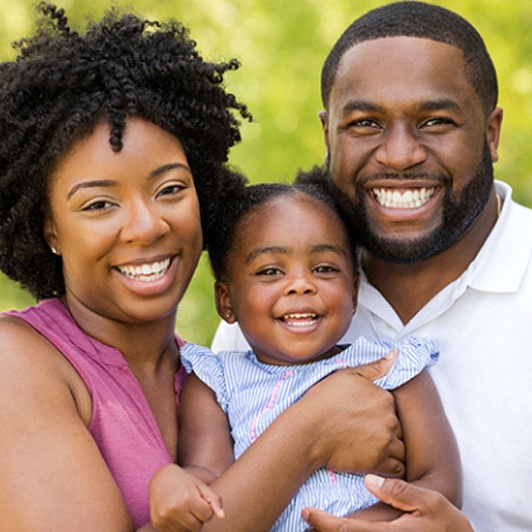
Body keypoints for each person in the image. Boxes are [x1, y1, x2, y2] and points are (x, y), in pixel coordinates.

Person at [0, 4, 411, 531]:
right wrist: (307, 434)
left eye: (171, 189)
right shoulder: (20, 363)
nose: (146, 226)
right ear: (49, 228)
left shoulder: (221, 372)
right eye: (100, 204)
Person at [212, 2, 532, 531]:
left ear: (491, 133)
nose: (401, 155)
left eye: (435, 121)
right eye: (365, 123)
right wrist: (307, 434)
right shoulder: (271, 308)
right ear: (328, 134)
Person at [156, 181, 460, 531]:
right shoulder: (214, 385)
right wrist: (170, 481)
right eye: (271, 271)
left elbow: (440, 485)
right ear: (226, 301)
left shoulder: (394, 371)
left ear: (354, 290)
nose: (301, 284)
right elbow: (210, 485)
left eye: (325, 268)